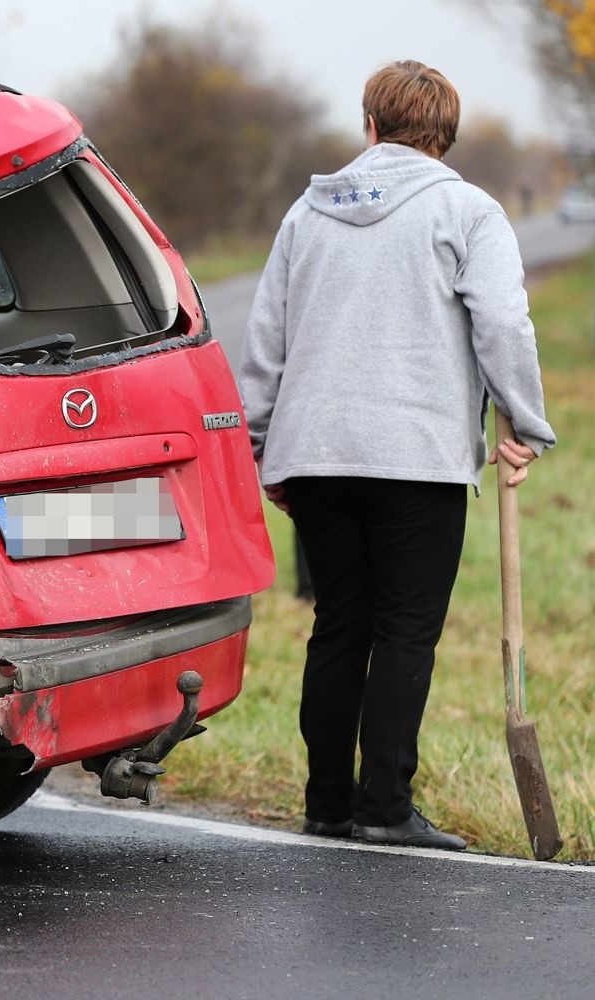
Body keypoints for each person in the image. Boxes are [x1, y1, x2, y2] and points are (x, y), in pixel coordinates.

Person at [238, 60, 556, 851]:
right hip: (415, 456)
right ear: (445, 136)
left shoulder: (304, 216)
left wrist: (260, 443)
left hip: (315, 456)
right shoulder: (468, 212)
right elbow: (504, 326)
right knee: (405, 632)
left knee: (338, 627)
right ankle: (384, 809)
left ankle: (326, 805)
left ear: (370, 125)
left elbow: (266, 341)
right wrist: (526, 421)